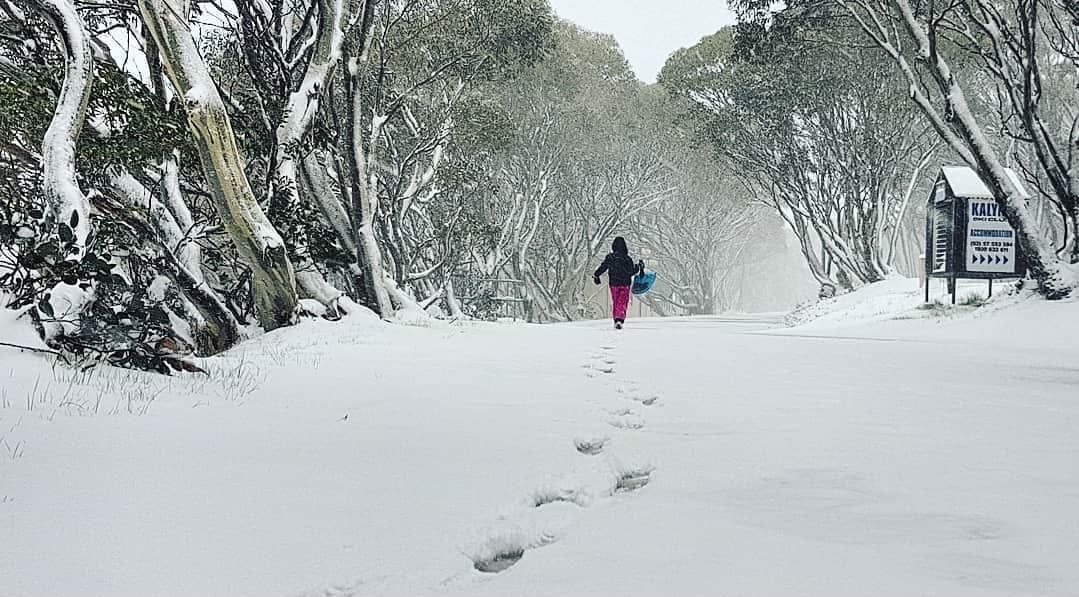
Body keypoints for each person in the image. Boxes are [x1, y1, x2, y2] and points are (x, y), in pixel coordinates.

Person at [593, 237, 644, 329]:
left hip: (613, 284)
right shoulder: (627, 259)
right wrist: (638, 267)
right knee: (622, 302)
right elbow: (631, 272)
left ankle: (617, 319)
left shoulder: (610, 258)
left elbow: (603, 267)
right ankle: (619, 319)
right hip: (624, 284)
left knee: (616, 301)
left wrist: (596, 275)